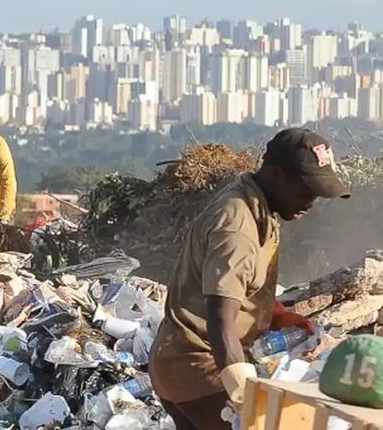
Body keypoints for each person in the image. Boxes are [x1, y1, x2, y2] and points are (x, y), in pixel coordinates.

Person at [149, 128, 351, 430]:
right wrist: (244, 395)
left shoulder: (256, 202)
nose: (310, 202)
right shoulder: (238, 225)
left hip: (179, 363)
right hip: (198, 370)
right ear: (277, 175)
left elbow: (236, 285)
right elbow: (220, 318)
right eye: (305, 190)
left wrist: (274, 314)